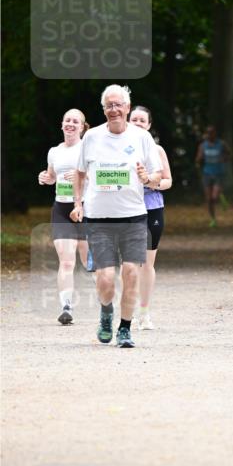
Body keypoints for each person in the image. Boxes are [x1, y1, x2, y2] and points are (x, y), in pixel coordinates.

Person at [71, 85, 162, 349]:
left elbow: (157, 175)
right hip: (99, 217)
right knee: (106, 278)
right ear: (103, 110)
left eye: (118, 105)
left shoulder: (142, 138)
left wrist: (148, 178)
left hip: (133, 216)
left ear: (128, 107)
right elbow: (79, 172)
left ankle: (124, 327)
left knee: (132, 272)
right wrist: (78, 202)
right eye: (108, 106)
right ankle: (106, 312)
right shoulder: (92, 137)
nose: (114, 110)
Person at [37, 108, 90, 325]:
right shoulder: (54, 152)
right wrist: (45, 177)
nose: (70, 124)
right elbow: (51, 177)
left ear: (81, 126)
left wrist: (81, 178)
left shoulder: (86, 150)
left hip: (86, 208)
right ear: (61, 124)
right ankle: (66, 307)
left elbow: (97, 178)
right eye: (67, 120)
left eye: (75, 121)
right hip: (61, 209)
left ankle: (108, 304)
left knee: (88, 261)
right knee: (67, 261)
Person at [129, 105, 173, 329]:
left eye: (141, 120)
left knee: (146, 263)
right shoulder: (120, 149)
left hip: (152, 209)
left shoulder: (157, 150)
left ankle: (144, 313)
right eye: (133, 119)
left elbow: (168, 181)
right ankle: (128, 312)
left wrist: (151, 183)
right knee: (129, 264)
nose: (137, 123)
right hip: (126, 209)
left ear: (148, 125)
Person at [196, 126, 229, 226]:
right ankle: (213, 219)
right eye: (208, 133)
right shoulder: (203, 146)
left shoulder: (221, 144)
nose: (210, 135)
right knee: (209, 199)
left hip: (218, 173)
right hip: (207, 173)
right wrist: (198, 160)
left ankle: (220, 196)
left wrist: (224, 159)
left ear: (215, 133)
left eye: (212, 133)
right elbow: (198, 158)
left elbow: (229, 153)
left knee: (214, 197)